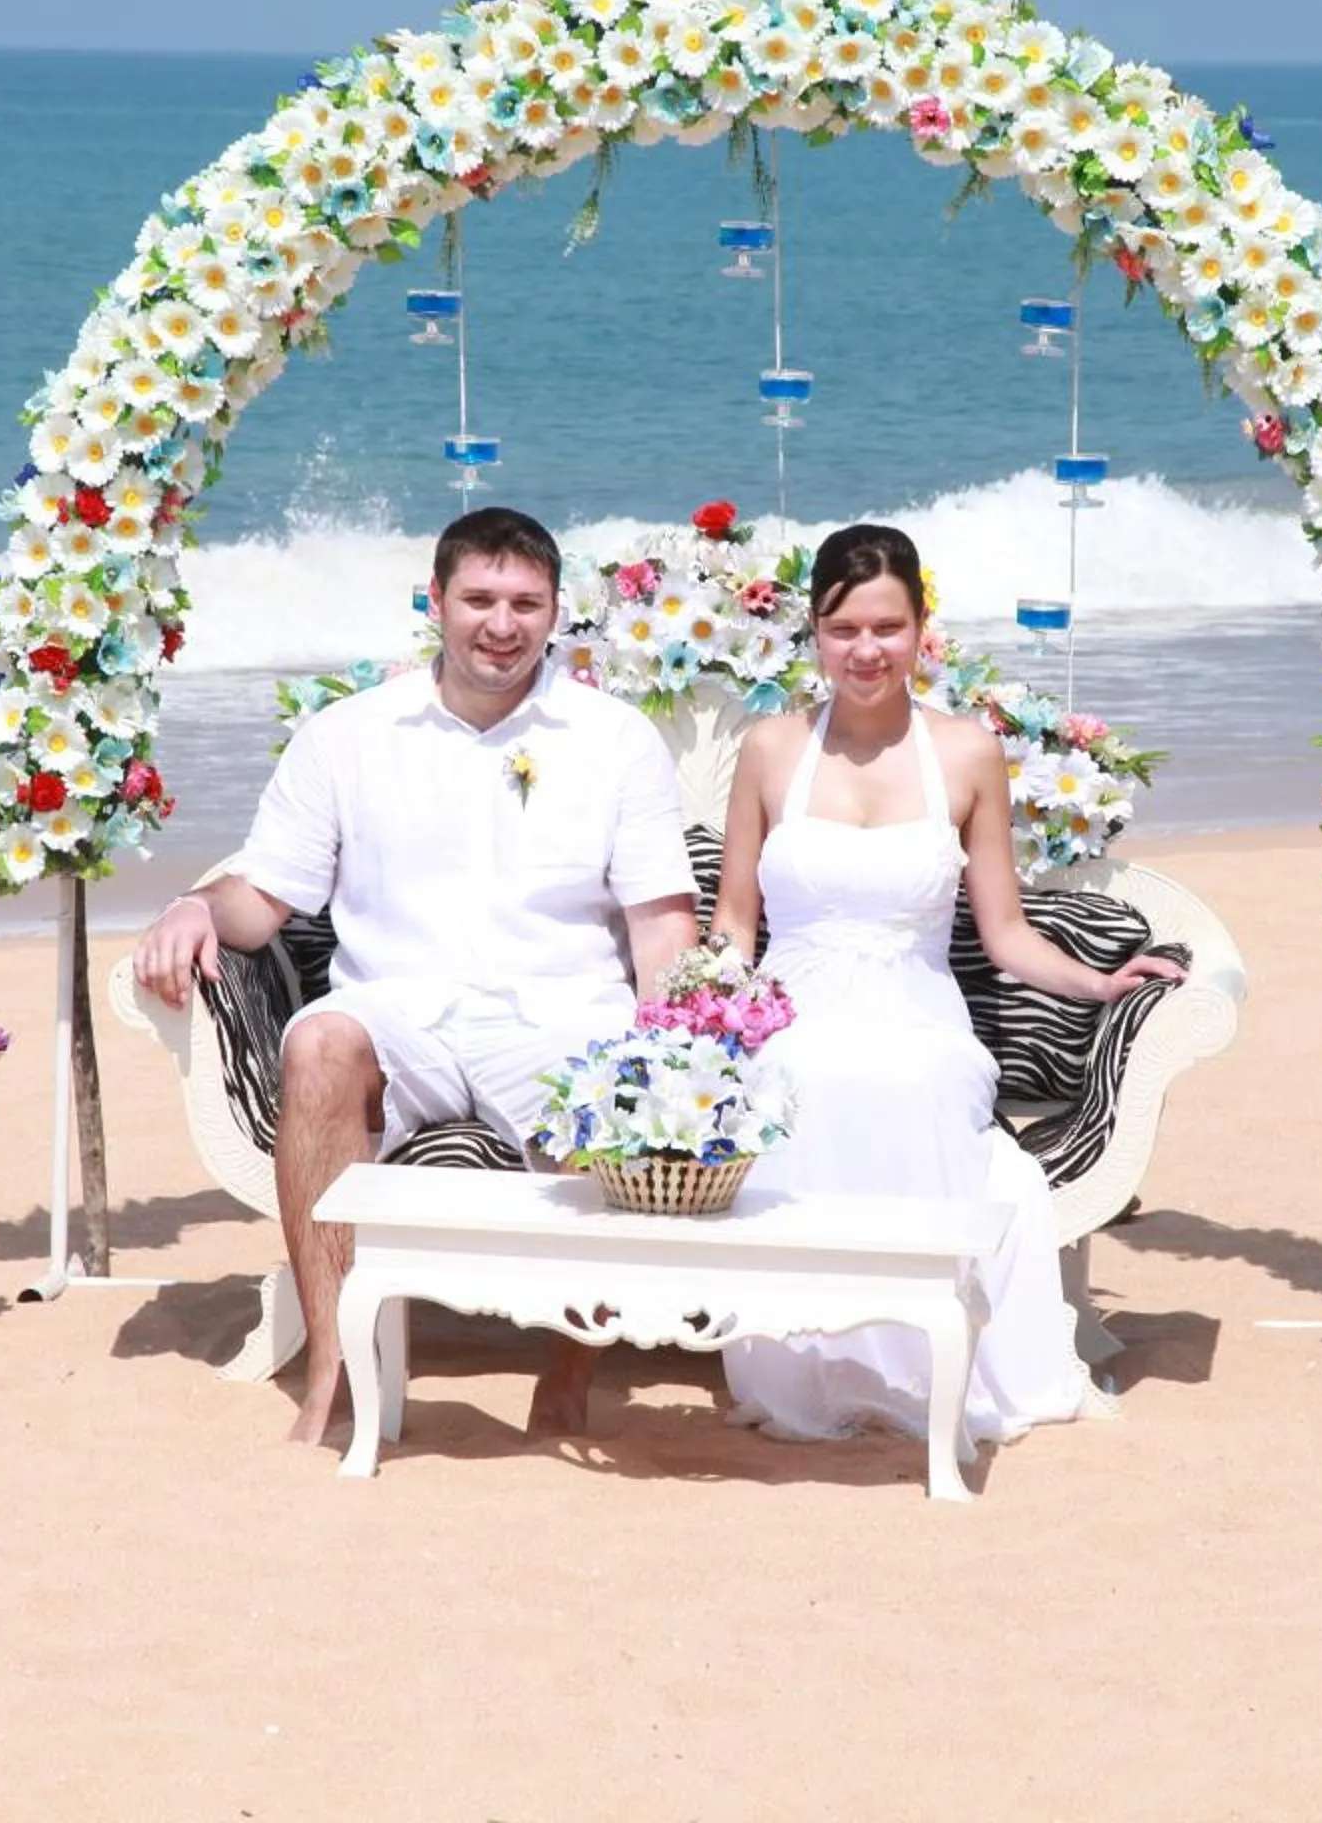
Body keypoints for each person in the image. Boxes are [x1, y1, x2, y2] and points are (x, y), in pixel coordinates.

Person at [131, 507, 698, 1447]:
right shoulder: (348, 735)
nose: (502, 624)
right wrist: (193, 906)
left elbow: (660, 923)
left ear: (558, 613)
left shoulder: (616, 738)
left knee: (620, 1081)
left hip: (559, 1015)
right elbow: (265, 899)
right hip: (398, 1014)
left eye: (526, 602)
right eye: (479, 598)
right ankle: (336, 1372)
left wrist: (672, 1052)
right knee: (315, 1044)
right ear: (435, 602)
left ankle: (566, 1377)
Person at [712, 524, 1185, 1445]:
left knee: (910, 1081)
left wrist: (1098, 984)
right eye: (844, 628)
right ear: (814, 630)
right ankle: (809, 1363)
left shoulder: (966, 754)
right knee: (795, 1076)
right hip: (791, 1005)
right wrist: (702, 1005)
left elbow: (1004, 933)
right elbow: (735, 922)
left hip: (914, 1007)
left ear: (922, 630)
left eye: (888, 627)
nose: (866, 650)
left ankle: (928, 1360)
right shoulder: (769, 749)